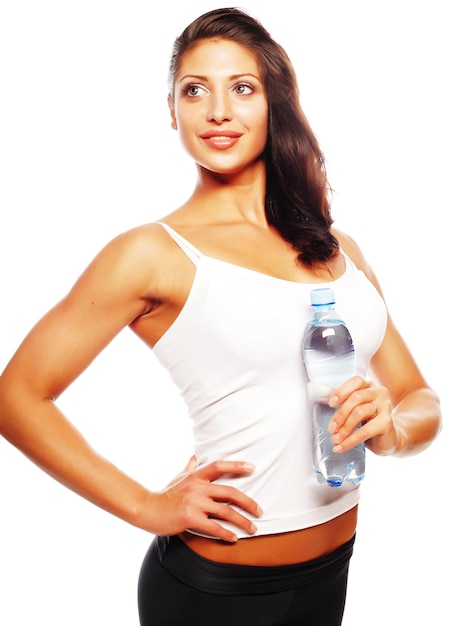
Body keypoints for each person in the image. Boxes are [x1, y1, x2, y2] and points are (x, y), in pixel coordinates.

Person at [0, 7, 441, 626]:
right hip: (215, 593)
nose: (217, 110)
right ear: (172, 111)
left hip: (333, 572)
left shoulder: (340, 250)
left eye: (242, 88)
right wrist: (147, 506)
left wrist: (393, 430)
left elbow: (419, 395)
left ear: (274, 102)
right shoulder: (152, 254)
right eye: (194, 90)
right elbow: (16, 396)